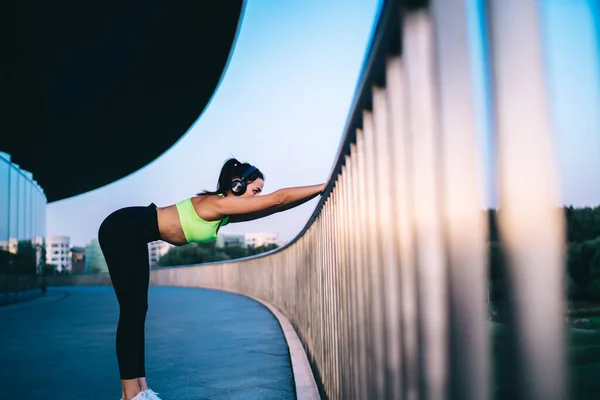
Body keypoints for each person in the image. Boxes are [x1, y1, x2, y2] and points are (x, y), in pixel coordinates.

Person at [98, 158, 326, 400]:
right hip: (121, 228)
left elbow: (274, 206)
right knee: (131, 311)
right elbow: (277, 199)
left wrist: (314, 195)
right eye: (256, 190)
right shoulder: (216, 204)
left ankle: (141, 390)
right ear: (238, 185)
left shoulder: (225, 213)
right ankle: (129, 394)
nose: (259, 196)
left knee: (138, 310)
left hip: (133, 232)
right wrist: (323, 185)